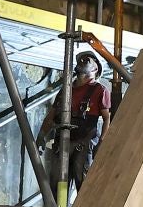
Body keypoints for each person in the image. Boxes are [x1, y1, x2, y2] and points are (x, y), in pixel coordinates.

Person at [43, 51, 110, 192]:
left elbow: (106, 118)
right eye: (81, 59)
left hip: (83, 144)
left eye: (90, 59)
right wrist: (41, 135)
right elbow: (51, 115)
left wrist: (102, 142)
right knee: (58, 182)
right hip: (62, 142)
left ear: (96, 69)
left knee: (83, 182)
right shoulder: (66, 90)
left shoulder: (100, 90)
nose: (85, 59)